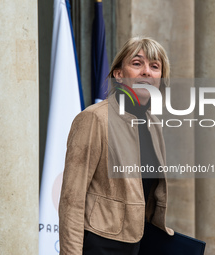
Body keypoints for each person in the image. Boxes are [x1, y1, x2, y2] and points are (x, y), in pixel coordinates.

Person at [59, 36, 174, 255]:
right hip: (100, 246)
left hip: (139, 245)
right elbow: (71, 199)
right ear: (119, 75)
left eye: (155, 66)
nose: (146, 72)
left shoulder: (154, 124)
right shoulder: (94, 118)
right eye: (137, 63)